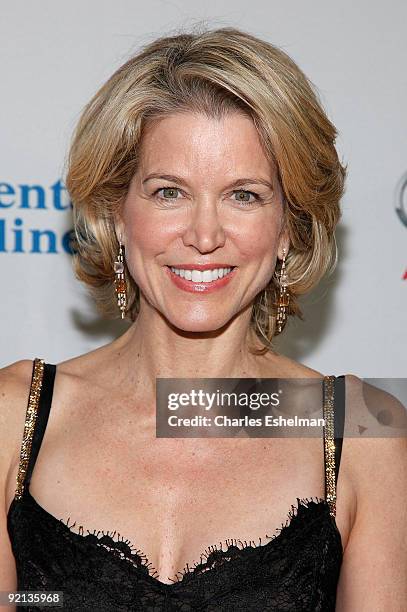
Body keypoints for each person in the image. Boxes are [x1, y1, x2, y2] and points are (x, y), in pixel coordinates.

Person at [0, 25, 406, 612]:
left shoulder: (360, 428)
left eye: (244, 195)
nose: (204, 235)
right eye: (170, 192)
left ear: (289, 227)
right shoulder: (16, 416)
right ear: (117, 212)